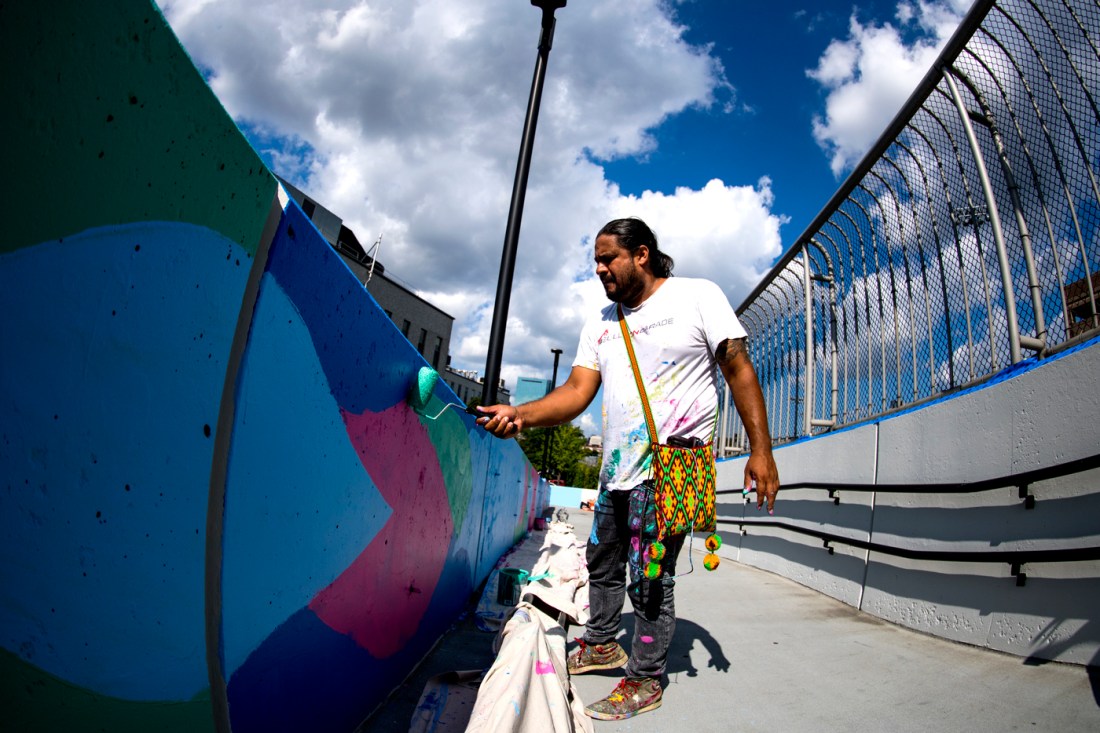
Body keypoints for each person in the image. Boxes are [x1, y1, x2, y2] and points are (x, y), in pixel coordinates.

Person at [477, 217, 779, 721]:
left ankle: (644, 678)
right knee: (603, 561)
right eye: (595, 260)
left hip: (672, 467)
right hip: (617, 471)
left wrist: (761, 450)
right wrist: (520, 415)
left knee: (650, 576)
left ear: (640, 254)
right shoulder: (600, 322)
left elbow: (738, 368)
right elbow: (576, 392)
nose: (599, 269)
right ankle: (601, 644)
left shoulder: (696, 296)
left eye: (607, 258)